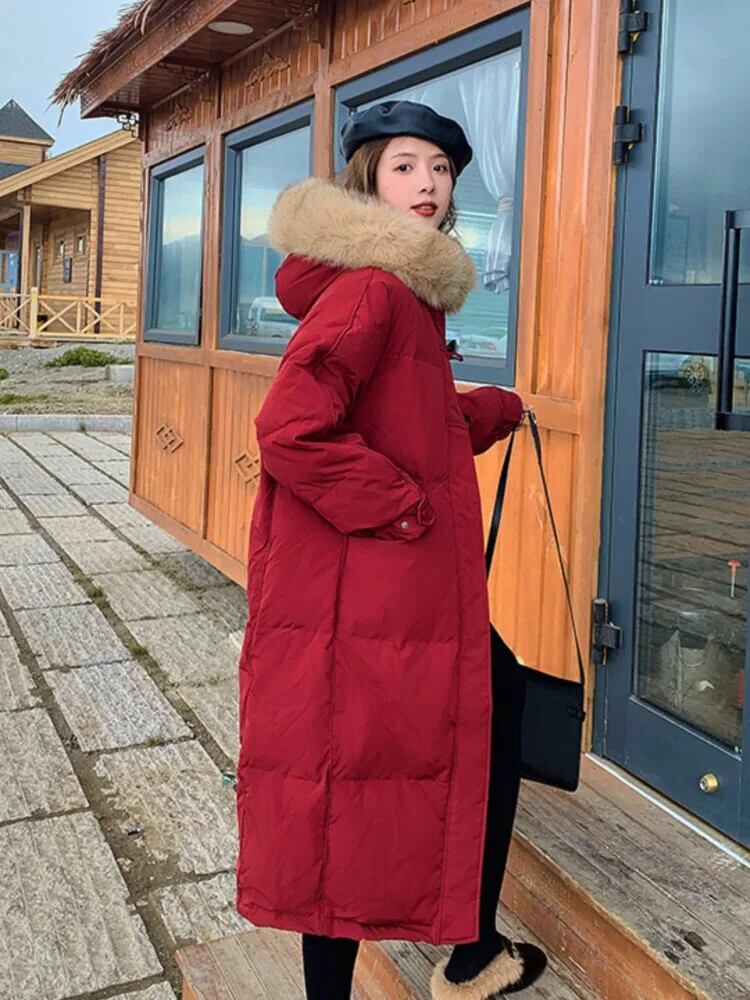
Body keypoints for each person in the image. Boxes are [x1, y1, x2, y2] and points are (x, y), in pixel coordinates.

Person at [234, 100, 547, 999]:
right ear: (368, 177)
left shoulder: (399, 288)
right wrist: (404, 511)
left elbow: (404, 413)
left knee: (378, 763)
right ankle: (467, 951)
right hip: (372, 581)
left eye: (442, 169)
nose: (429, 183)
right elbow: (292, 430)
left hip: (380, 587)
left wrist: (494, 410)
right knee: (349, 777)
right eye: (406, 165)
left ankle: (470, 946)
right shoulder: (376, 287)